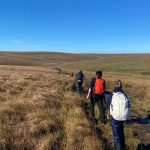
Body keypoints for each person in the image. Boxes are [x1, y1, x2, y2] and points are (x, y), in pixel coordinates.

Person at [109, 80, 131, 150]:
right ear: (121, 86)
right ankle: (123, 147)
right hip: (124, 117)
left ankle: (117, 148)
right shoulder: (125, 95)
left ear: (114, 86)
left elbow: (108, 105)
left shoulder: (112, 95)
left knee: (116, 136)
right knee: (121, 133)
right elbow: (129, 106)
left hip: (115, 118)